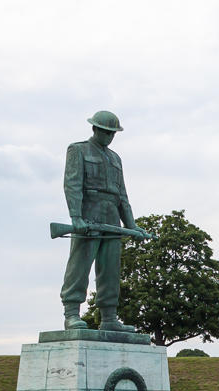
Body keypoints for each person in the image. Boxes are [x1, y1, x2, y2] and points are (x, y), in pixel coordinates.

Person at [59, 110, 144, 332]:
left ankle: (109, 317)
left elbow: (122, 194)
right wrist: (76, 216)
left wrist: (131, 225)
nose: (109, 136)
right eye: (105, 132)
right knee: (80, 266)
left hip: (112, 217)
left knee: (110, 270)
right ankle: (71, 314)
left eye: (112, 133)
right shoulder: (78, 150)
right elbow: (73, 184)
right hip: (89, 213)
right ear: (95, 129)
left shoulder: (115, 158)